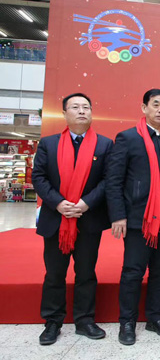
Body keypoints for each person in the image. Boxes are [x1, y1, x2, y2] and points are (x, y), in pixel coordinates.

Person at [32, 93, 113, 346]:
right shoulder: (49, 144)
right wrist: (58, 203)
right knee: (54, 274)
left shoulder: (104, 145)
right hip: (56, 219)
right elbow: (39, 177)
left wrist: (86, 203)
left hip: (88, 219)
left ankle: (85, 320)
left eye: (86, 107)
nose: (81, 111)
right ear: (64, 113)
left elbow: (108, 180)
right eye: (75, 107)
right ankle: (52, 321)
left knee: (86, 272)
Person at [107, 89, 160, 345]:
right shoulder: (128, 138)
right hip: (139, 219)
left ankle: (155, 318)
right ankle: (127, 322)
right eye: (156, 104)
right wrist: (119, 215)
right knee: (133, 272)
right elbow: (114, 180)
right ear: (144, 108)